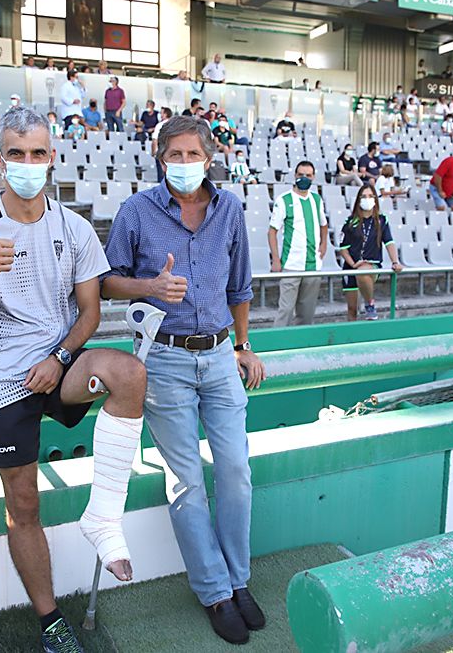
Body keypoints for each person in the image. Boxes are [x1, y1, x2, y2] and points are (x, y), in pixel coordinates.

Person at [0, 107, 148, 653]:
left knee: (129, 372)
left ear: (52, 157)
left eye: (38, 153)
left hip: (59, 363)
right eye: (17, 154)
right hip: (2, 378)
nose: (28, 164)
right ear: (0, 160)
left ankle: (103, 515)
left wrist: (61, 355)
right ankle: (50, 620)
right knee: (23, 504)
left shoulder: (72, 226)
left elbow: (90, 314)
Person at [101, 115, 266, 645]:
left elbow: (240, 285)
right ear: (159, 156)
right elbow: (107, 283)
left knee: (236, 471)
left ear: (210, 158)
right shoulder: (136, 210)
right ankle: (215, 591)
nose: (185, 164)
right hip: (165, 360)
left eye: (193, 154)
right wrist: (150, 285)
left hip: (219, 355)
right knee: (187, 482)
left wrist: (242, 346)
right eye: (175, 155)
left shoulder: (230, 209)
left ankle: (239, 580)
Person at [268, 161, 327, 327]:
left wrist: (324, 245)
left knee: (307, 312)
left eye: (308, 175)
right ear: (295, 176)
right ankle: (278, 344)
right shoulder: (284, 200)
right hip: (292, 265)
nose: (304, 178)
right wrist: (276, 260)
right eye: (301, 175)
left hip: (313, 265)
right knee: (285, 310)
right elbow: (272, 231)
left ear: (313, 177)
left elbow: (323, 224)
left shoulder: (316, 199)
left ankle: (301, 345)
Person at [337, 186, 402, 321]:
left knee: (363, 271)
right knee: (352, 309)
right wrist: (353, 264)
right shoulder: (350, 222)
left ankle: (369, 304)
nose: (367, 199)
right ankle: (352, 338)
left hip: (371, 266)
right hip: (351, 267)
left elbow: (389, 242)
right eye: (364, 196)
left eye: (371, 196)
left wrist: (395, 261)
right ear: (358, 200)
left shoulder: (381, 220)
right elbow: (343, 248)